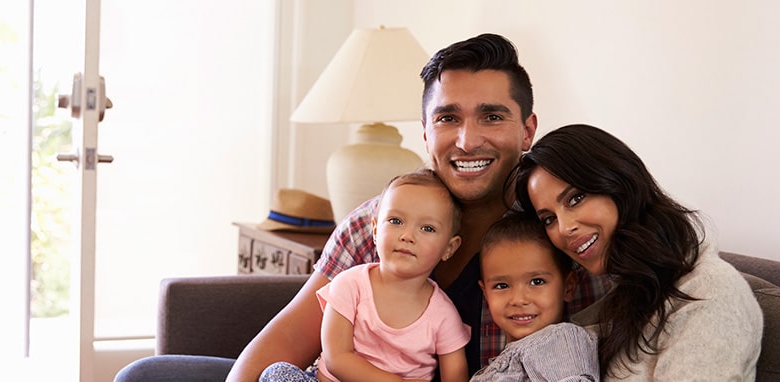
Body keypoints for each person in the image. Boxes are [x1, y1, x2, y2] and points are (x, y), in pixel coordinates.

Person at [114, 33, 611, 382]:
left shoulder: (558, 230)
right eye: (447, 118)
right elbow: (286, 342)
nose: (467, 139)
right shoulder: (371, 223)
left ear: (527, 130)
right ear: (425, 131)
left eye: (492, 116)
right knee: (146, 374)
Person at [511, 124, 763, 380]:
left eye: (575, 198)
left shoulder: (710, 292)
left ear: (619, 182)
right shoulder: (621, 297)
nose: (564, 229)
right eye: (549, 219)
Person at [259, 169, 470, 382]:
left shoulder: (444, 315)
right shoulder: (349, 284)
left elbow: (455, 378)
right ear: (375, 231)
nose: (407, 236)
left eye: (427, 228)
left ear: (449, 248)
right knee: (277, 372)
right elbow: (337, 358)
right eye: (396, 221)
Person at [470, 212, 598, 382]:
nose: (518, 299)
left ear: (568, 287)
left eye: (537, 281)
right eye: (501, 286)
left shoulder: (563, 342)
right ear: (485, 293)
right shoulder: (502, 362)